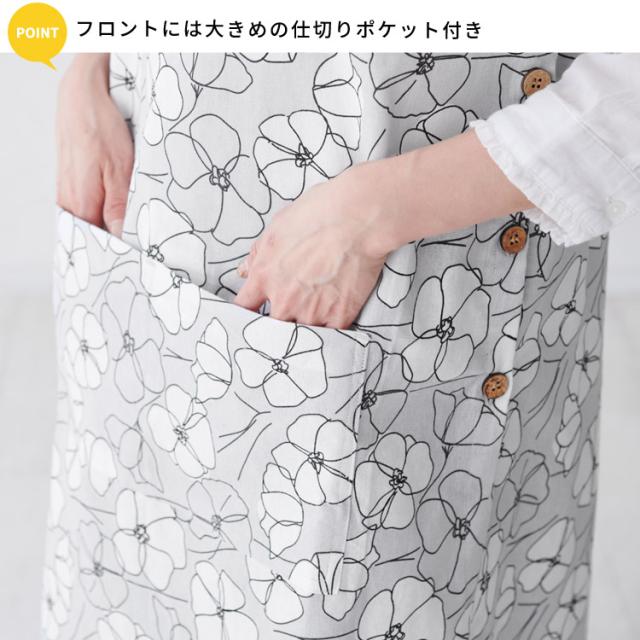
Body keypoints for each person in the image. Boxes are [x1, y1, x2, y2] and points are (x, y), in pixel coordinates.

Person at [44, 52, 639, 640]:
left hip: (420, 264)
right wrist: (87, 66)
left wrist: (376, 212)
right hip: (160, 184)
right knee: (138, 577)